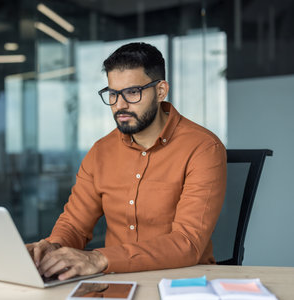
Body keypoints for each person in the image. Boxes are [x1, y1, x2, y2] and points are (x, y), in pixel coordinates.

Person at [26, 42, 227, 281]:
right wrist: (53, 247)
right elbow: (75, 224)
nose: (120, 105)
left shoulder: (203, 148)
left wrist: (98, 259)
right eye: (113, 94)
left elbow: (187, 243)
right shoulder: (101, 151)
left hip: (184, 282)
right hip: (115, 280)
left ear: (161, 91)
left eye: (132, 92)